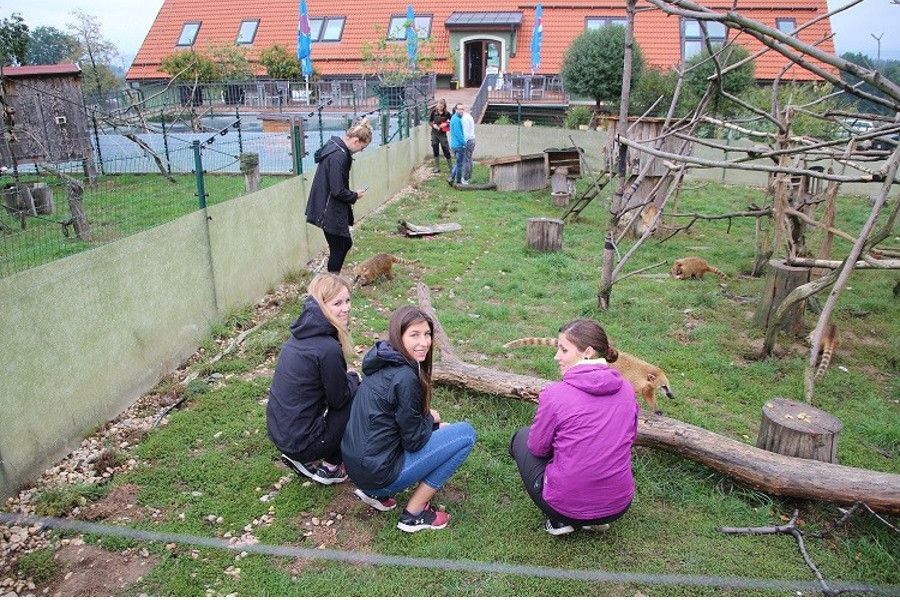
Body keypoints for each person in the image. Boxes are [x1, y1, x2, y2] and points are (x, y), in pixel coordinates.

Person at [342, 306, 476, 533]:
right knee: (465, 435)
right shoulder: (405, 377)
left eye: (427, 334)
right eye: (414, 335)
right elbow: (414, 441)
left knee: (437, 426)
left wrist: (429, 422)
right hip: (378, 474)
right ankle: (415, 513)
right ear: (398, 335)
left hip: (359, 468)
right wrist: (430, 420)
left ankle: (375, 494)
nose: (423, 342)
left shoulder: (381, 360)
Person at [509, 319, 638, 536]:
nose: (556, 357)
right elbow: (630, 437)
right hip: (619, 506)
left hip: (566, 507)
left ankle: (560, 521)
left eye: (563, 350)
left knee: (521, 438)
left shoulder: (555, 394)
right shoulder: (627, 389)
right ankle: (594, 519)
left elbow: (538, 448)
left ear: (587, 352)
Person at [267, 273, 360, 485]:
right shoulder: (327, 348)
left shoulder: (300, 334)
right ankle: (332, 467)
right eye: (337, 303)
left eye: (347, 300)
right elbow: (339, 400)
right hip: (302, 443)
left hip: (280, 433)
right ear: (321, 305)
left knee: (347, 386)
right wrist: (354, 378)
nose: (346, 308)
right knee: (358, 394)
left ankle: (303, 456)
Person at [305, 119, 372, 274]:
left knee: (344, 243)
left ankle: (332, 280)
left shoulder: (335, 148)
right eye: (362, 147)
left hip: (325, 205)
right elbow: (337, 190)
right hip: (328, 209)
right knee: (339, 245)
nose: (361, 151)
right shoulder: (338, 156)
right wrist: (355, 195)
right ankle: (331, 284)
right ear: (356, 140)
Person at [428, 99, 453, 174]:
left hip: (442, 134)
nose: (440, 106)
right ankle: (437, 167)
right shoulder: (433, 112)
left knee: (445, 149)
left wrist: (446, 124)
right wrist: (433, 125)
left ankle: (451, 168)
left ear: (444, 106)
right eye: (439, 105)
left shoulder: (447, 113)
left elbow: (452, 120)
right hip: (434, 133)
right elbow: (429, 121)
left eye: (441, 105)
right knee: (435, 146)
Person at [448, 104, 466, 185]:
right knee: (460, 164)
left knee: (458, 163)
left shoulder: (454, 118)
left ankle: (451, 177)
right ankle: (458, 182)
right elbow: (458, 134)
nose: (461, 111)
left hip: (454, 145)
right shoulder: (456, 120)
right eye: (459, 109)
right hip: (458, 146)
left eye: (462, 109)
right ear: (456, 110)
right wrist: (464, 143)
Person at [461, 103, 476, 185]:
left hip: (468, 141)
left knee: (466, 160)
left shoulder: (465, 119)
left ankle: (465, 179)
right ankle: (468, 178)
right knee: (469, 159)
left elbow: (466, 134)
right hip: (472, 140)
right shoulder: (468, 116)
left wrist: (463, 144)